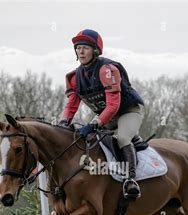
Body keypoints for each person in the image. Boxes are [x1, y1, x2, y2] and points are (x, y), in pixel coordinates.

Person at [59, 29, 145, 199]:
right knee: (89, 140)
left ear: (95, 50)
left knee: (122, 138)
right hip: (108, 116)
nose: (80, 51)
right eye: (78, 48)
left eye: (85, 48)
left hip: (128, 110)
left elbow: (113, 105)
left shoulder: (107, 69)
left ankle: (130, 180)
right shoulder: (75, 77)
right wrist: (62, 123)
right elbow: (71, 106)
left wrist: (94, 123)